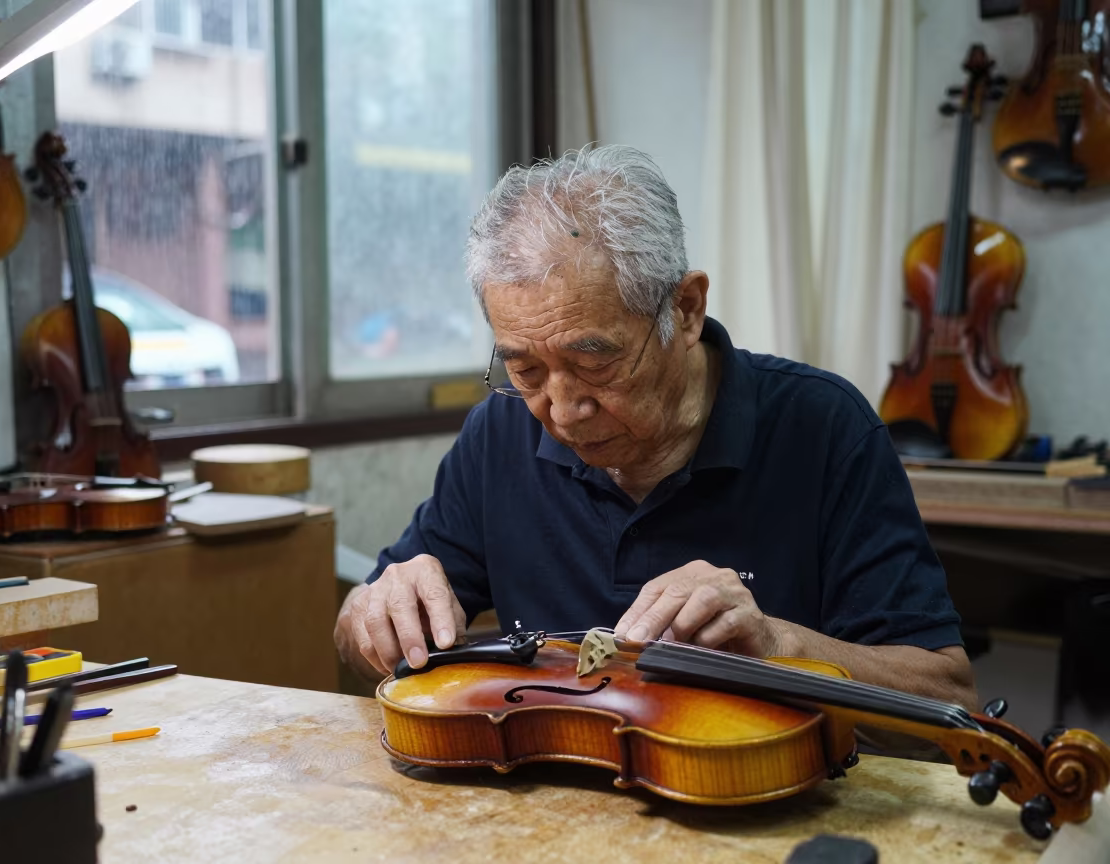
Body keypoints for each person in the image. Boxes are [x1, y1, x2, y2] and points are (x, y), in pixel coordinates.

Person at [334, 145, 977, 711]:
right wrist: (370, 615)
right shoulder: (497, 435)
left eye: (595, 362)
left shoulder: (824, 427)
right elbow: (354, 644)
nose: (562, 410)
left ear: (686, 310)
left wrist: (780, 645)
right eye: (526, 369)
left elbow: (948, 695)